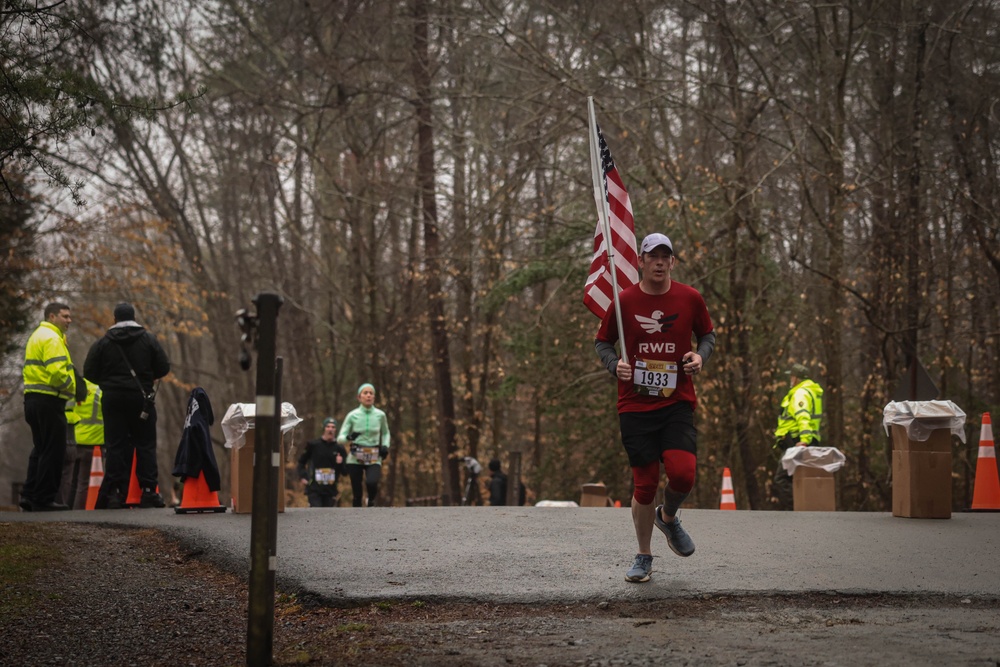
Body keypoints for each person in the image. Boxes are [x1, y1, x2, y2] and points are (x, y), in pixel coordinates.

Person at [595, 233, 716, 583]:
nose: (660, 262)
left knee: (683, 474)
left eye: (666, 256)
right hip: (635, 405)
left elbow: (707, 336)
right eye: (653, 256)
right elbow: (602, 342)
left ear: (673, 262)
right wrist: (613, 364)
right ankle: (644, 555)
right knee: (644, 485)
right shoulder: (624, 301)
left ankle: (669, 516)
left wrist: (699, 356)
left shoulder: (690, 298)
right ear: (641, 262)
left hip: (676, 402)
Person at [84, 302, 170, 509]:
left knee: (115, 445)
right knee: (145, 443)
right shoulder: (148, 340)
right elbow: (163, 367)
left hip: (112, 399)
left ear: (114, 319)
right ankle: (148, 491)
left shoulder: (103, 343)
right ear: (134, 317)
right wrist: (147, 378)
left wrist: (108, 383)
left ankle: (114, 493)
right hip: (141, 399)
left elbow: (89, 372)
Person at [19, 302, 78, 512]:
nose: (69, 320)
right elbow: (56, 373)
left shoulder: (36, 336)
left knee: (41, 448)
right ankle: (43, 499)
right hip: (49, 401)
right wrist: (72, 388)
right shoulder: (52, 338)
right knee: (54, 450)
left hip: (33, 400)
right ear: (52, 317)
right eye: (65, 316)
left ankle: (29, 495)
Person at [772, 363, 824, 510]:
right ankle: (803, 508)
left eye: (792, 376)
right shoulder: (810, 392)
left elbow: (803, 417)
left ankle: (794, 511)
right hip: (802, 441)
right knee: (800, 477)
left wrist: (804, 440)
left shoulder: (800, 393)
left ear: (797, 379)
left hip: (796, 442)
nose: (791, 379)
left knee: (782, 478)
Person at [338, 383, 390, 507]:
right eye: (365, 393)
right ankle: (357, 514)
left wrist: (385, 446)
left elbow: (386, 433)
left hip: (374, 456)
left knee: (372, 482)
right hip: (355, 456)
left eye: (371, 393)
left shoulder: (380, 415)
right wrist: (349, 437)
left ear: (374, 397)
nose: (368, 395)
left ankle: (371, 500)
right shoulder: (352, 415)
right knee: (357, 492)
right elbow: (340, 438)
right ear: (359, 397)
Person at [59, 377, 104, 509]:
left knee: (71, 481)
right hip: (93, 443)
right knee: (83, 483)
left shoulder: (75, 389)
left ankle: (66, 508)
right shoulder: (99, 391)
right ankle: (78, 513)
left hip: (74, 440)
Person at [297, 417, 348, 507]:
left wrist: (340, 463)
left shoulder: (339, 448)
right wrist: (303, 476)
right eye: (328, 427)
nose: (330, 429)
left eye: (333, 427)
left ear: (336, 430)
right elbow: (301, 462)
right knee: (316, 513)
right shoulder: (313, 445)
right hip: (314, 488)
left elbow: (345, 472)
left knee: (327, 516)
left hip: (331, 490)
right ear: (324, 428)